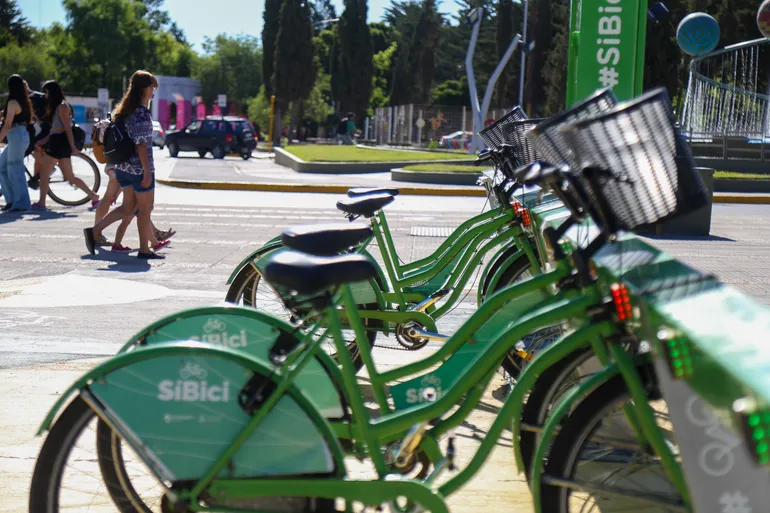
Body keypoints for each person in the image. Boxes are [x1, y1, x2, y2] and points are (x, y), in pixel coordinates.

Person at [84, 70, 168, 260]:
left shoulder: (123, 111)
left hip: (122, 168)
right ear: (145, 89)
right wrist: (147, 171)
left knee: (128, 208)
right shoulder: (141, 114)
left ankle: (94, 231)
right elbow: (141, 145)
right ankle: (144, 250)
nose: (153, 92)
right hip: (139, 169)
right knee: (145, 209)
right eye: (152, 88)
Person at [32, 81, 100, 209]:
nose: (45, 96)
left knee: (45, 173)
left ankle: (42, 202)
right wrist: (45, 140)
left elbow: (67, 129)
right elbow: (55, 129)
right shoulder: (56, 107)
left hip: (59, 144)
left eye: (46, 92)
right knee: (70, 177)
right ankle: (94, 196)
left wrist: (72, 146)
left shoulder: (62, 107)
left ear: (52, 92)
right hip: (57, 142)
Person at [0, 74, 33, 212]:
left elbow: (7, 124)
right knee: (2, 166)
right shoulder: (24, 101)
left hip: (17, 136)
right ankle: (12, 200)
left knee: (15, 168)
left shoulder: (12, 102)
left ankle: (21, 203)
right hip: (20, 135)